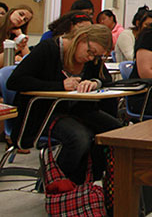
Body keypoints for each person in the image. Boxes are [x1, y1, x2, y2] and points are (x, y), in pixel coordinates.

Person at [6, 24, 120, 185]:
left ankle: (87, 182)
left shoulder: (91, 59)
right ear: (81, 39)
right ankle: (56, 185)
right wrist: (60, 85)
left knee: (115, 131)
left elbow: (105, 79)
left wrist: (95, 82)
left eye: (96, 57)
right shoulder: (48, 50)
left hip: (76, 111)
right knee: (79, 137)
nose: (90, 59)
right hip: (42, 113)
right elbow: (16, 81)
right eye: (90, 52)